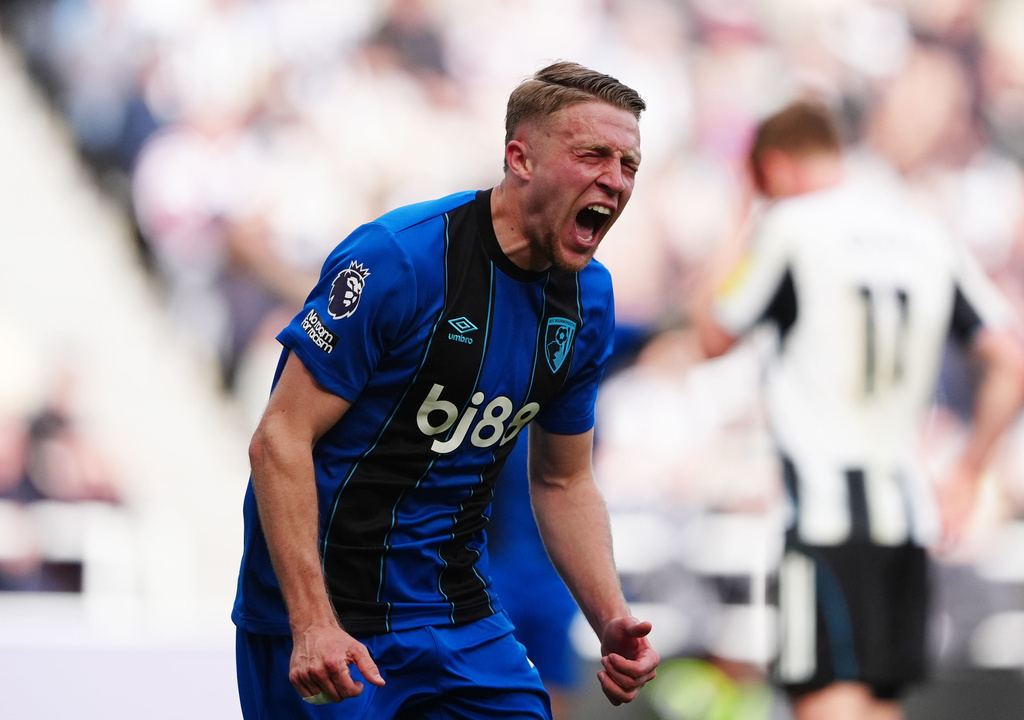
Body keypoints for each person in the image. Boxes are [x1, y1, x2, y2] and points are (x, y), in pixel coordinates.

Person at [231, 61, 660, 719]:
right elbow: (279, 439)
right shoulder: (399, 258)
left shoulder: (588, 300)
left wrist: (610, 618)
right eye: (592, 155)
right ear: (520, 158)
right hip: (330, 620)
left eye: (628, 163)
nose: (615, 178)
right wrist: (312, 622)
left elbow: (563, 480)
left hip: (456, 612)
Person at [693, 100, 1024, 720]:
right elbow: (1009, 359)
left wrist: (740, 212)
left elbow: (712, 334)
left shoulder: (792, 226)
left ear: (774, 167)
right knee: (879, 703)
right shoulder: (924, 233)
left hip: (825, 513)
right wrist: (968, 471)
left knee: (829, 700)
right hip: (906, 511)